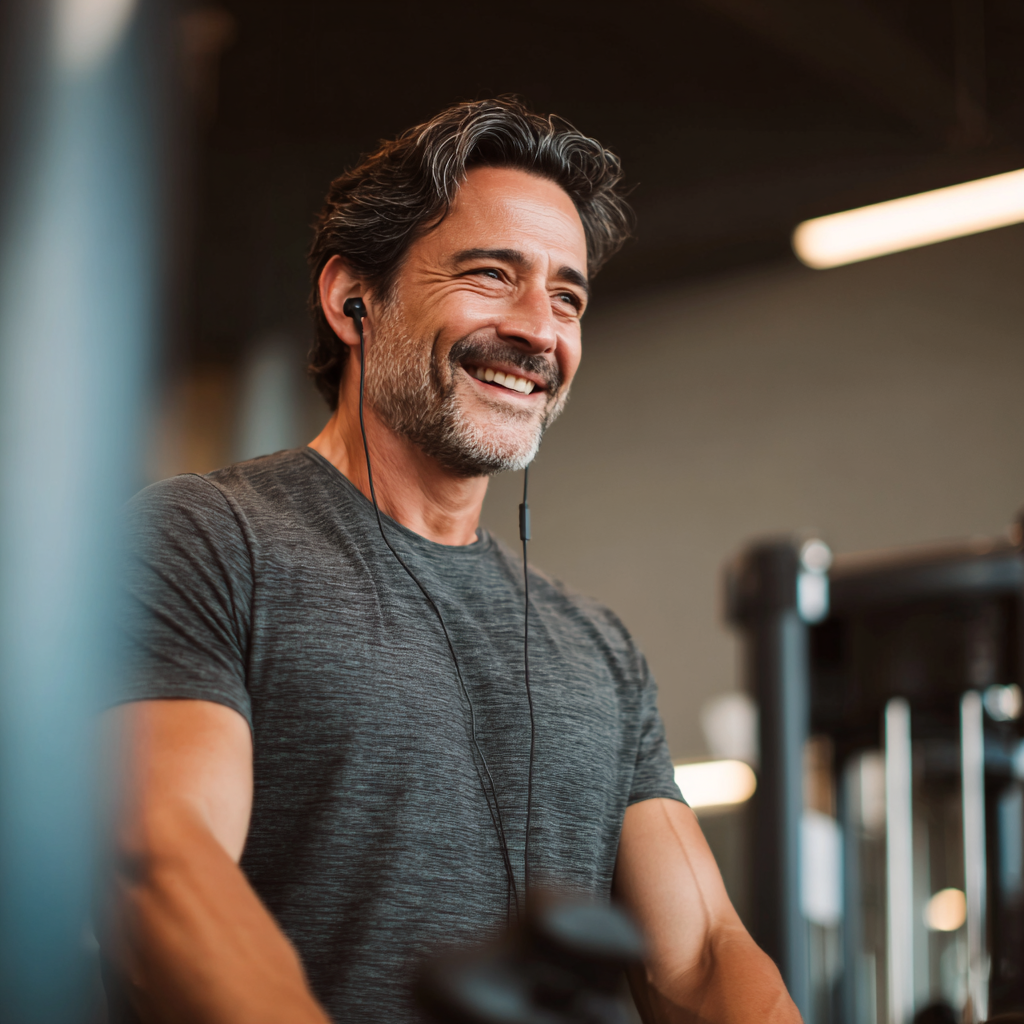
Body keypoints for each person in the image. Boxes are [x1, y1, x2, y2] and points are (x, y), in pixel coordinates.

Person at [102, 98, 801, 1024]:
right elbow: (162, 861)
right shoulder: (205, 541)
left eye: (567, 297)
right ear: (353, 298)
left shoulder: (594, 647)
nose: (538, 331)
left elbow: (705, 952)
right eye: (491, 275)